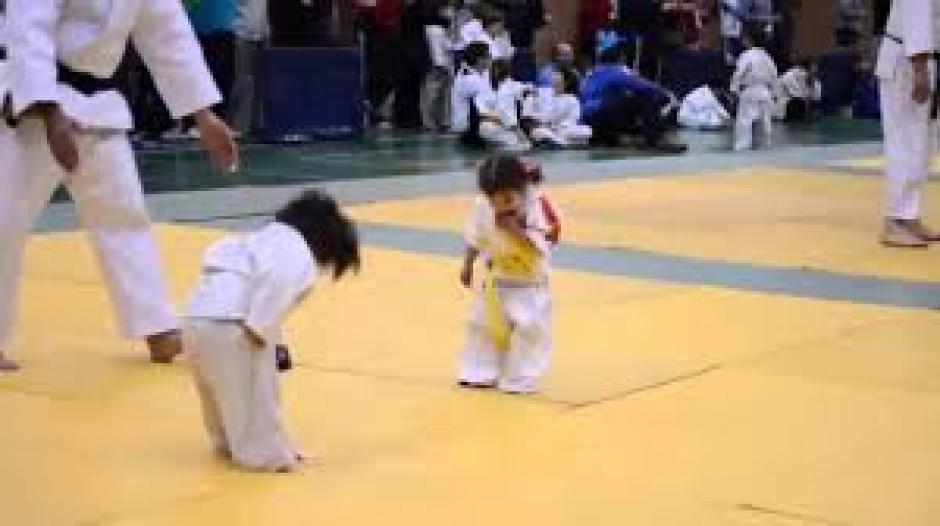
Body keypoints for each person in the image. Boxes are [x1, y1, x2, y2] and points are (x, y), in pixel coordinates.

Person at [0, 0, 238, 372]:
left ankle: (156, 326)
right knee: (5, 219)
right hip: (37, 102)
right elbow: (29, 26)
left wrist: (203, 115)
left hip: (102, 104)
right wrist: (48, 110)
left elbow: (167, 34)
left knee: (124, 215)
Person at [186, 190, 360, 472]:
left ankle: (226, 442)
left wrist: (276, 343)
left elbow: (241, 277)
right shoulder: (298, 253)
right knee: (257, 395)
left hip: (196, 317)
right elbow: (274, 287)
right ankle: (268, 457)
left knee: (217, 392)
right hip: (234, 323)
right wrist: (260, 328)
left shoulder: (255, 239)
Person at [458, 155, 557, 394]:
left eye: (505, 199)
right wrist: (468, 264)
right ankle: (478, 370)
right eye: (492, 200)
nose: (498, 206)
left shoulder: (537, 204)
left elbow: (546, 242)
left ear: (521, 187)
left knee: (529, 328)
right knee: (481, 325)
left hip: (529, 281)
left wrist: (514, 229)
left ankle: (520, 377)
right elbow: (476, 235)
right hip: (496, 278)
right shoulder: (482, 203)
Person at [875, 0, 940, 247]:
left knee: (920, 144)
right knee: (905, 142)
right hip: (908, 63)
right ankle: (894, 221)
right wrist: (920, 70)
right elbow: (916, 20)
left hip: (920, 59)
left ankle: (908, 216)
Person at [580, 43, 686, 152]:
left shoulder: (592, 73)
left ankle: (608, 137)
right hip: (601, 114)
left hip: (589, 120)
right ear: (621, 58)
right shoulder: (615, 71)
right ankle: (655, 139)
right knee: (644, 98)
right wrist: (667, 94)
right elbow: (644, 86)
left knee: (627, 101)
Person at [730, 25, 779, 151]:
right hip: (765, 92)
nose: (743, 41)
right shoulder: (767, 57)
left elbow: (739, 73)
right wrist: (774, 94)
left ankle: (742, 148)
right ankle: (765, 148)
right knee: (765, 123)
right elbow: (774, 76)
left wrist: (734, 90)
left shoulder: (746, 55)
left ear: (749, 40)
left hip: (750, 91)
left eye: (744, 38)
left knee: (745, 123)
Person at [473, 59, 531, 151]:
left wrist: (529, 92)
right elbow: (482, 113)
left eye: (500, 70)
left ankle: (507, 142)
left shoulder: (511, 85)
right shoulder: (483, 88)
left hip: (510, 125)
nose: (496, 73)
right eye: (494, 70)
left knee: (523, 146)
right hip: (493, 123)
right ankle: (511, 140)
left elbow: (527, 89)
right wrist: (497, 118)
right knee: (485, 127)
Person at [525, 70, 593, 148]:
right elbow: (531, 92)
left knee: (587, 130)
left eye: (558, 81)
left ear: (565, 83)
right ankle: (561, 142)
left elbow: (572, 119)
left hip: (564, 130)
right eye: (555, 80)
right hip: (546, 129)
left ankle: (559, 142)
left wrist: (559, 127)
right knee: (539, 132)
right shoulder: (545, 92)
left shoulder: (572, 99)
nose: (555, 82)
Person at [421, 1, 457, 132]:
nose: (450, 11)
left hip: (443, 65)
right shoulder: (435, 30)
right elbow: (446, 47)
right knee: (433, 95)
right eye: (446, 9)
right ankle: (430, 122)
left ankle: (441, 121)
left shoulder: (439, 29)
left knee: (442, 95)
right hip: (438, 65)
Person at [451, 42, 492, 144]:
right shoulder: (469, 78)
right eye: (488, 56)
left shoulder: (481, 74)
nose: (491, 59)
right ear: (479, 59)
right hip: (468, 126)